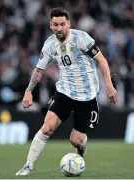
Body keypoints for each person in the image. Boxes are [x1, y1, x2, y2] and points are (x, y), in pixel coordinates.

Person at [16, 7, 118, 176]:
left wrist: (109, 84)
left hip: (87, 96)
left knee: (75, 140)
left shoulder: (81, 38)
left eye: (62, 24)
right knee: (47, 127)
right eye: (55, 24)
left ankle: (81, 147)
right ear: (50, 25)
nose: (59, 28)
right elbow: (39, 70)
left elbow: (102, 60)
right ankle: (28, 165)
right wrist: (28, 91)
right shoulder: (49, 45)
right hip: (65, 92)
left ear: (68, 23)